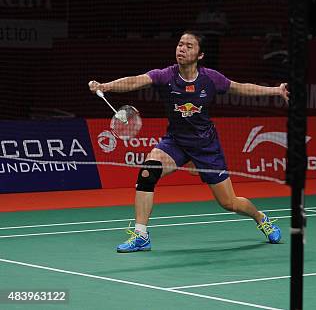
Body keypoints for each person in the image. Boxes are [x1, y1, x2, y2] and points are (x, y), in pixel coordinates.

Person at [89, 30, 289, 252]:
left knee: (228, 203)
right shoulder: (166, 76)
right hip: (175, 143)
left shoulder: (210, 79)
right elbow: (136, 81)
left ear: (200, 55)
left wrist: (276, 91)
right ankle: (141, 234)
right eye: (180, 44)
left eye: (188, 46)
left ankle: (261, 218)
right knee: (148, 172)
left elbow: (241, 88)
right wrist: (105, 86)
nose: (181, 49)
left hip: (206, 147)